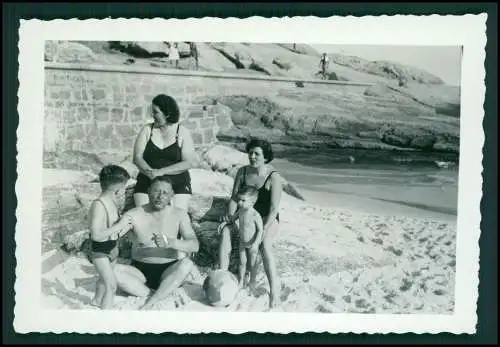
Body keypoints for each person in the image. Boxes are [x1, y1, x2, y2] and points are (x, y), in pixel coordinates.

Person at [117, 175, 200, 310]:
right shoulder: (134, 214)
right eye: (156, 191)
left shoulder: (180, 215)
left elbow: (194, 245)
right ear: (148, 191)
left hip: (168, 270)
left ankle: (151, 302)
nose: (160, 196)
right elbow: (115, 234)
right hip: (139, 271)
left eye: (165, 193)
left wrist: (171, 242)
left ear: (172, 195)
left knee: (187, 264)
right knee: (113, 271)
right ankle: (157, 293)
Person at [218, 138, 283, 308]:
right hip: (244, 215)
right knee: (225, 232)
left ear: (266, 156)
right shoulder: (242, 172)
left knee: (265, 246)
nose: (252, 156)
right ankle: (222, 276)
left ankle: (274, 292)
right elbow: (234, 198)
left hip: (266, 218)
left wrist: (263, 230)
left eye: (257, 154)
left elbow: (274, 209)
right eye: (250, 153)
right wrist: (231, 217)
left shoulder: (273, 177)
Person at [132, 94, 196, 211]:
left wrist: (161, 172)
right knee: (143, 215)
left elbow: (188, 162)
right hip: (148, 179)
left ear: (167, 113)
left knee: (178, 215)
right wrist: (151, 173)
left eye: (156, 112)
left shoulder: (182, 132)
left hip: (177, 181)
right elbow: (137, 157)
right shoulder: (147, 130)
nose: (153, 115)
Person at [88, 165, 135, 309]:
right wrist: (120, 226)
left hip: (112, 248)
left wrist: (127, 226)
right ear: (118, 187)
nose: (124, 190)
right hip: (100, 252)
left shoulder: (112, 202)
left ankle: (96, 301)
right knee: (112, 286)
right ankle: (105, 320)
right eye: (124, 186)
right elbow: (96, 235)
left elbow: (114, 232)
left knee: (103, 280)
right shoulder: (99, 205)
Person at [230, 187, 264, 289]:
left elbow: (260, 230)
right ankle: (241, 279)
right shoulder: (240, 211)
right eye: (239, 200)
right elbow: (232, 219)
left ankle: (252, 281)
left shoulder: (255, 215)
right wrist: (227, 222)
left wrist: (256, 243)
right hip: (242, 242)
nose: (240, 203)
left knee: (253, 264)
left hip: (252, 242)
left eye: (243, 200)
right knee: (242, 262)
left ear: (253, 202)